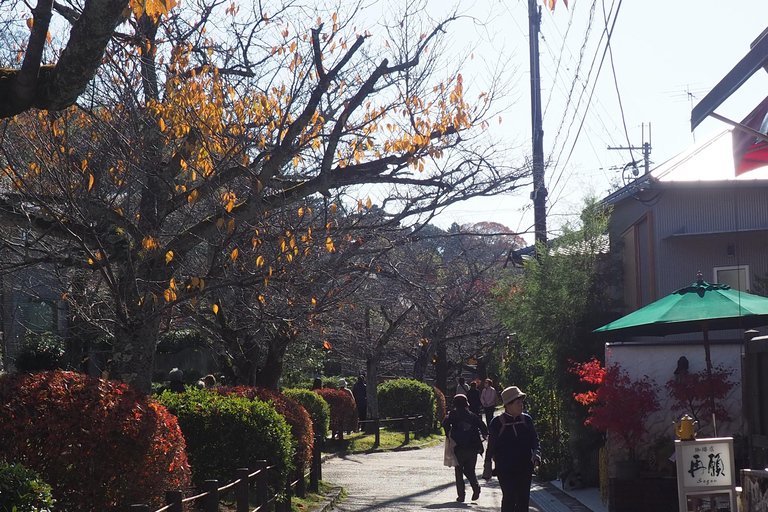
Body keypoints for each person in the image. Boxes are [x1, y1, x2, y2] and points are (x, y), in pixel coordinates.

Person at [483, 386, 541, 512]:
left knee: (523, 499)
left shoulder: (526, 420)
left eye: (522, 402)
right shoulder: (497, 423)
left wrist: (536, 455)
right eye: (517, 402)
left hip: (524, 467)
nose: (521, 405)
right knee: (509, 497)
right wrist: (487, 469)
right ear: (507, 405)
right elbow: (491, 447)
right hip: (505, 469)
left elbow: (535, 440)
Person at [443, 394, 488, 502]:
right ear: (466, 403)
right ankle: (476, 487)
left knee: (459, 470)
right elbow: (482, 425)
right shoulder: (471, 415)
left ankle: (461, 495)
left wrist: (448, 435)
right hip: (473, 446)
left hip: (459, 446)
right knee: (470, 470)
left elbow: (445, 423)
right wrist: (484, 435)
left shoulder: (453, 414)